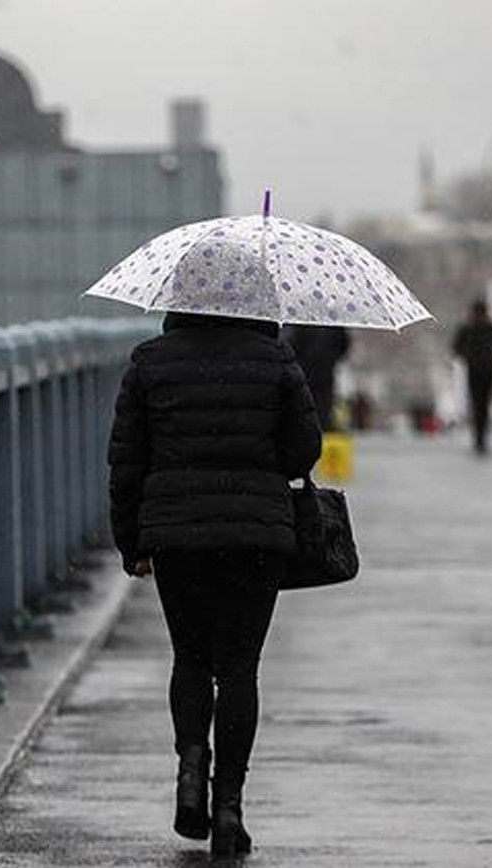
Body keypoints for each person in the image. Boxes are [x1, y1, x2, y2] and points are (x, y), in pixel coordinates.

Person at [108, 313, 322, 857]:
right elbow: (304, 450)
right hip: (256, 534)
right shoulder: (275, 359)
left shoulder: (150, 363)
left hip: (177, 535)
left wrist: (130, 542)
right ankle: (228, 809)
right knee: (239, 666)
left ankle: (189, 769)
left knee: (191, 659)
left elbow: (127, 461)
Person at [451, 300, 492, 455]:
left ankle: (479, 437)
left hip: (477, 371)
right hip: (484, 371)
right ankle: (480, 437)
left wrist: (467, 356)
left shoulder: (470, 329)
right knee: (482, 405)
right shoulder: (489, 329)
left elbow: (456, 349)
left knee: (479, 405)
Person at [284, 325, 352, 431]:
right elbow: (343, 347)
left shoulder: (300, 323)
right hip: (325, 378)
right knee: (322, 415)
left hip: (303, 375)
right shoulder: (333, 325)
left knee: (302, 414)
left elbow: (292, 346)